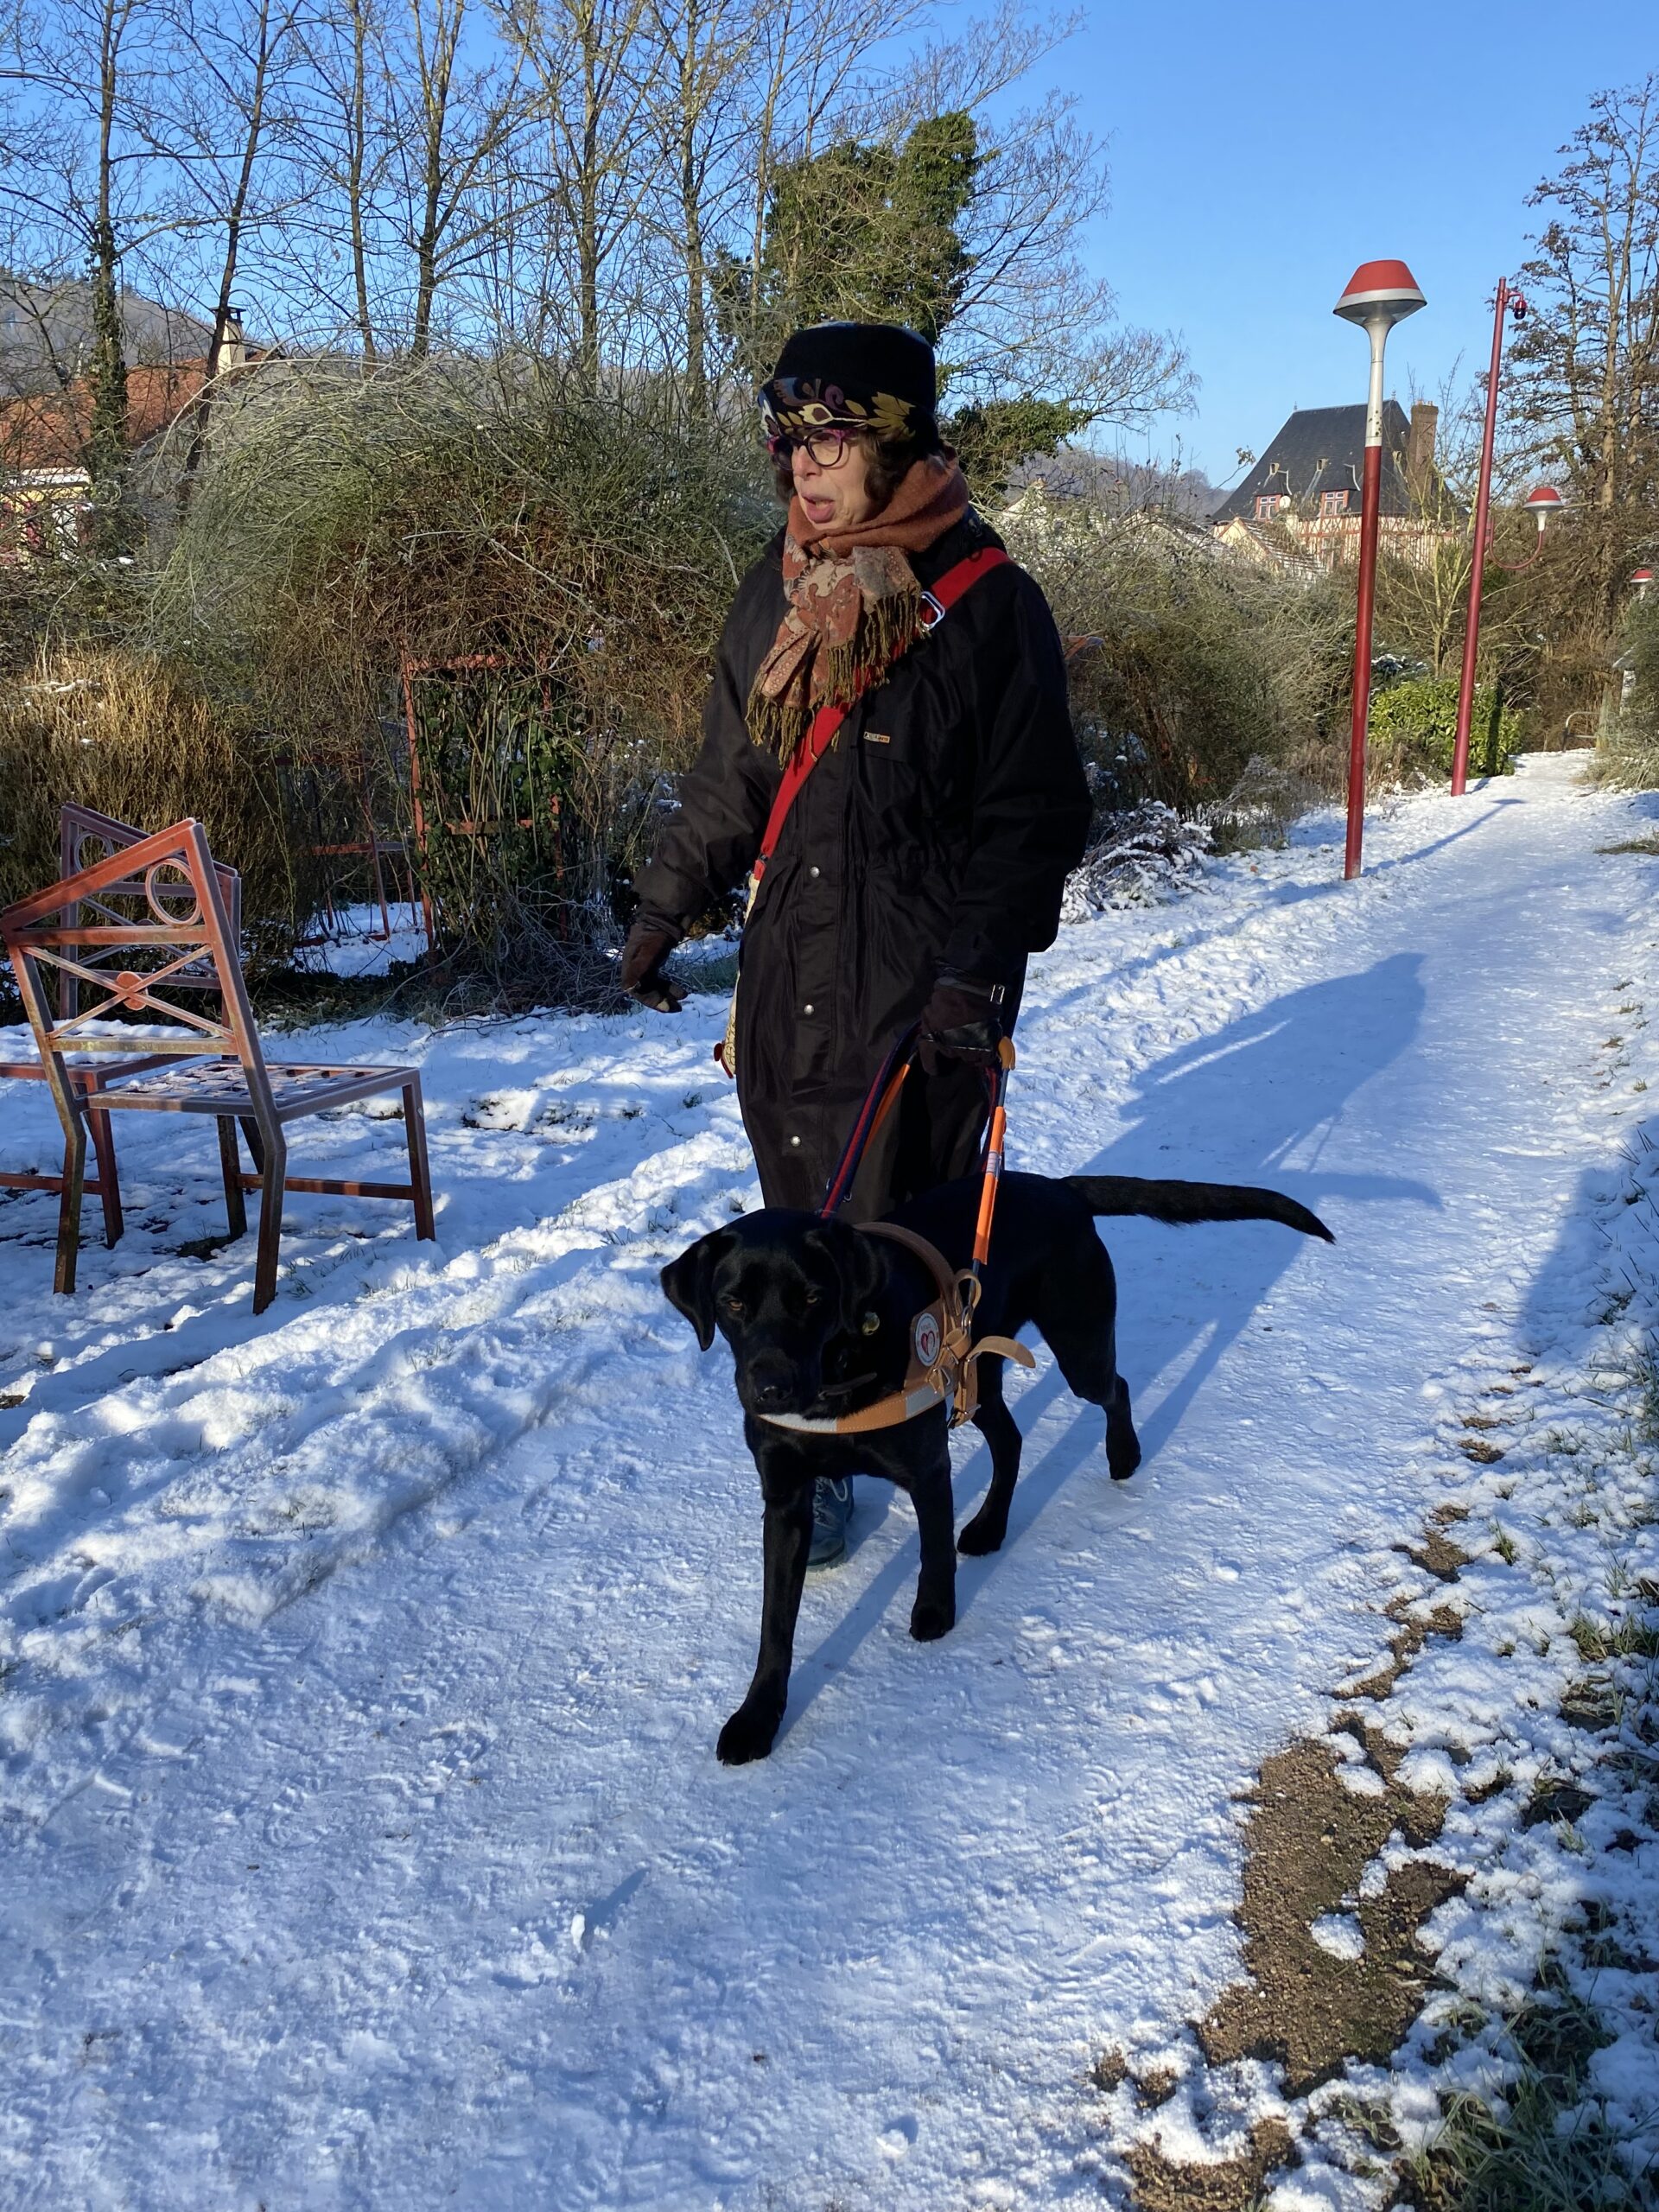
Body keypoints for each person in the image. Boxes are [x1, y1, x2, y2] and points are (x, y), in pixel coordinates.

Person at [621, 321, 1090, 1563]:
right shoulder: (776, 589)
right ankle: (817, 1446)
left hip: (918, 989)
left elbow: (1031, 819)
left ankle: (916, 1426)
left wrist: (976, 976)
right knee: (802, 1225)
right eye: (790, 443)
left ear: (898, 442)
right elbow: (734, 773)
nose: (805, 469)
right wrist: (665, 906)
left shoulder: (992, 607)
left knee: (899, 1238)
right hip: (789, 982)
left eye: (832, 439)